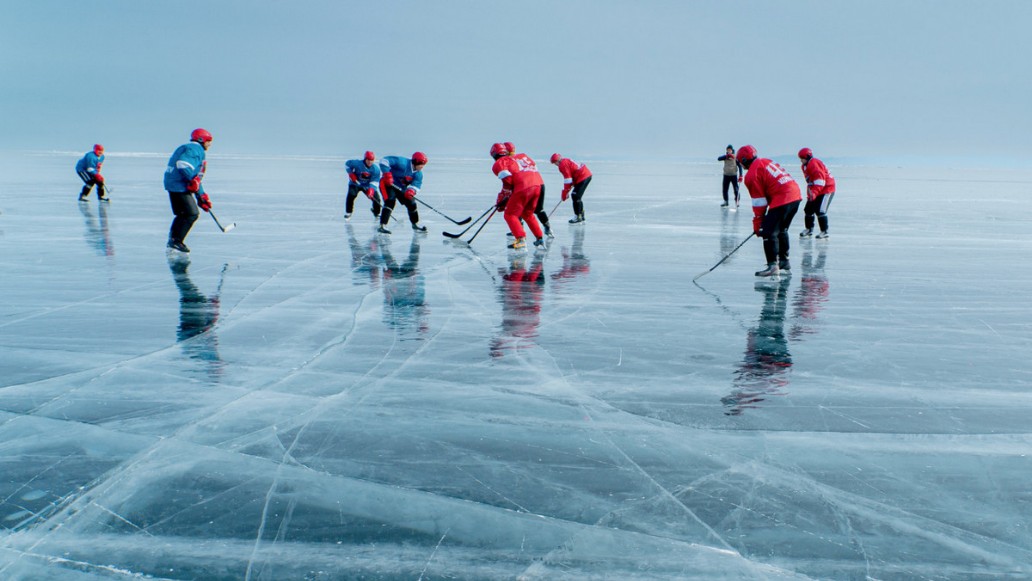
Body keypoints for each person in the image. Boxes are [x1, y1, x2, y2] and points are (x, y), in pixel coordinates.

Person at [737, 144, 802, 277]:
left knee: (768, 232)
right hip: (795, 196)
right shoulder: (765, 161)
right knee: (782, 229)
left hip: (783, 198)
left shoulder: (751, 175)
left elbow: (759, 202)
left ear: (744, 160)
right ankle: (784, 261)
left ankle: (772, 266)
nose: (741, 166)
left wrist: (758, 223)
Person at [163, 128, 214, 253]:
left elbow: (195, 178)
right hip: (179, 186)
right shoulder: (196, 149)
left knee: (182, 214)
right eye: (208, 141)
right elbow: (183, 165)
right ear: (201, 140)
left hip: (173, 184)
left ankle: (173, 240)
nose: (210, 144)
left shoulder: (186, 147)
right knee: (191, 214)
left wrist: (201, 196)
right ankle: (176, 241)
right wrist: (193, 181)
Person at [491, 143, 545, 250]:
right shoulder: (521, 157)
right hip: (538, 185)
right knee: (527, 213)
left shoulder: (499, 163)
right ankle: (540, 238)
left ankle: (520, 239)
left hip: (524, 187)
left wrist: (501, 200)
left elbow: (508, 182)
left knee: (510, 214)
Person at [378, 152, 429, 234]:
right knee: (390, 201)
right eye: (421, 164)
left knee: (411, 203)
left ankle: (415, 224)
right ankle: (382, 225)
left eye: (424, 164)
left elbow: (417, 184)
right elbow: (384, 161)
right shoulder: (402, 162)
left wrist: (411, 191)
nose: (422, 166)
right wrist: (387, 174)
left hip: (401, 188)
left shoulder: (418, 174)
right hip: (387, 184)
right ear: (415, 162)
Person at [797, 147, 836, 239]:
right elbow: (810, 181)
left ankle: (824, 231)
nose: (801, 160)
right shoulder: (804, 166)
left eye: (802, 158)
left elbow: (820, 181)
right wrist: (810, 194)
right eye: (800, 158)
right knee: (808, 209)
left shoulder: (814, 164)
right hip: (816, 190)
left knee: (820, 211)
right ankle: (809, 229)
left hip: (827, 189)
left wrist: (814, 193)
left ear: (808, 157)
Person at [549, 153, 592, 224]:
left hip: (583, 176)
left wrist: (565, 192)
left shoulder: (562, 165)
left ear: (557, 161)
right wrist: (567, 189)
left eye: (554, 163)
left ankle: (578, 216)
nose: (555, 164)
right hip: (585, 175)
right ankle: (581, 214)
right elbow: (571, 175)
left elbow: (568, 180)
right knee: (577, 196)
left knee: (575, 196)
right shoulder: (565, 161)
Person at [344, 150, 384, 221]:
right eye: (368, 160)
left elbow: (374, 181)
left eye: (372, 160)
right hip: (355, 183)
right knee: (351, 195)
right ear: (365, 159)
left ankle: (376, 213)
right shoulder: (357, 163)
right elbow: (347, 164)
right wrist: (351, 174)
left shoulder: (376, 169)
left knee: (376, 199)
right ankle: (348, 212)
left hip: (367, 186)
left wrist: (371, 190)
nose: (370, 162)